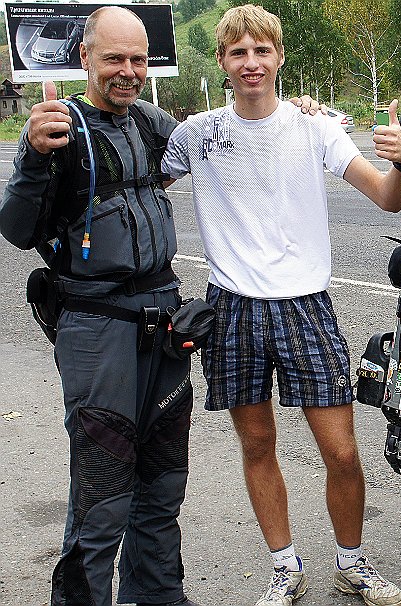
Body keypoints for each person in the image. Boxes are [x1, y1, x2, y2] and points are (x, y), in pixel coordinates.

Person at [160, 5, 401, 606]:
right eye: (238, 53)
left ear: (278, 57)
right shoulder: (196, 134)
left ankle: (351, 562)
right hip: (233, 310)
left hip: (305, 305)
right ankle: (283, 563)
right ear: (222, 62)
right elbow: (139, 188)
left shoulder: (314, 128)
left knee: (343, 451)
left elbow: (385, 198)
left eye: (262, 50)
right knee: (258, 446)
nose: (251, 62)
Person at [0, 7, 198, 606]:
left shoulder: (150, 124)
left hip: (163, 323)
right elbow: (15, 226)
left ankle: (158, 596)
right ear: (84, 57)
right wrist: (33, 158)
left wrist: (298, 115)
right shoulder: (58, 128)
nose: (128, 72)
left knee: (162, 485)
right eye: (115, 58)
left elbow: (222, 136)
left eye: (138, 59)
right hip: (96, 328)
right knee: (104, 489)